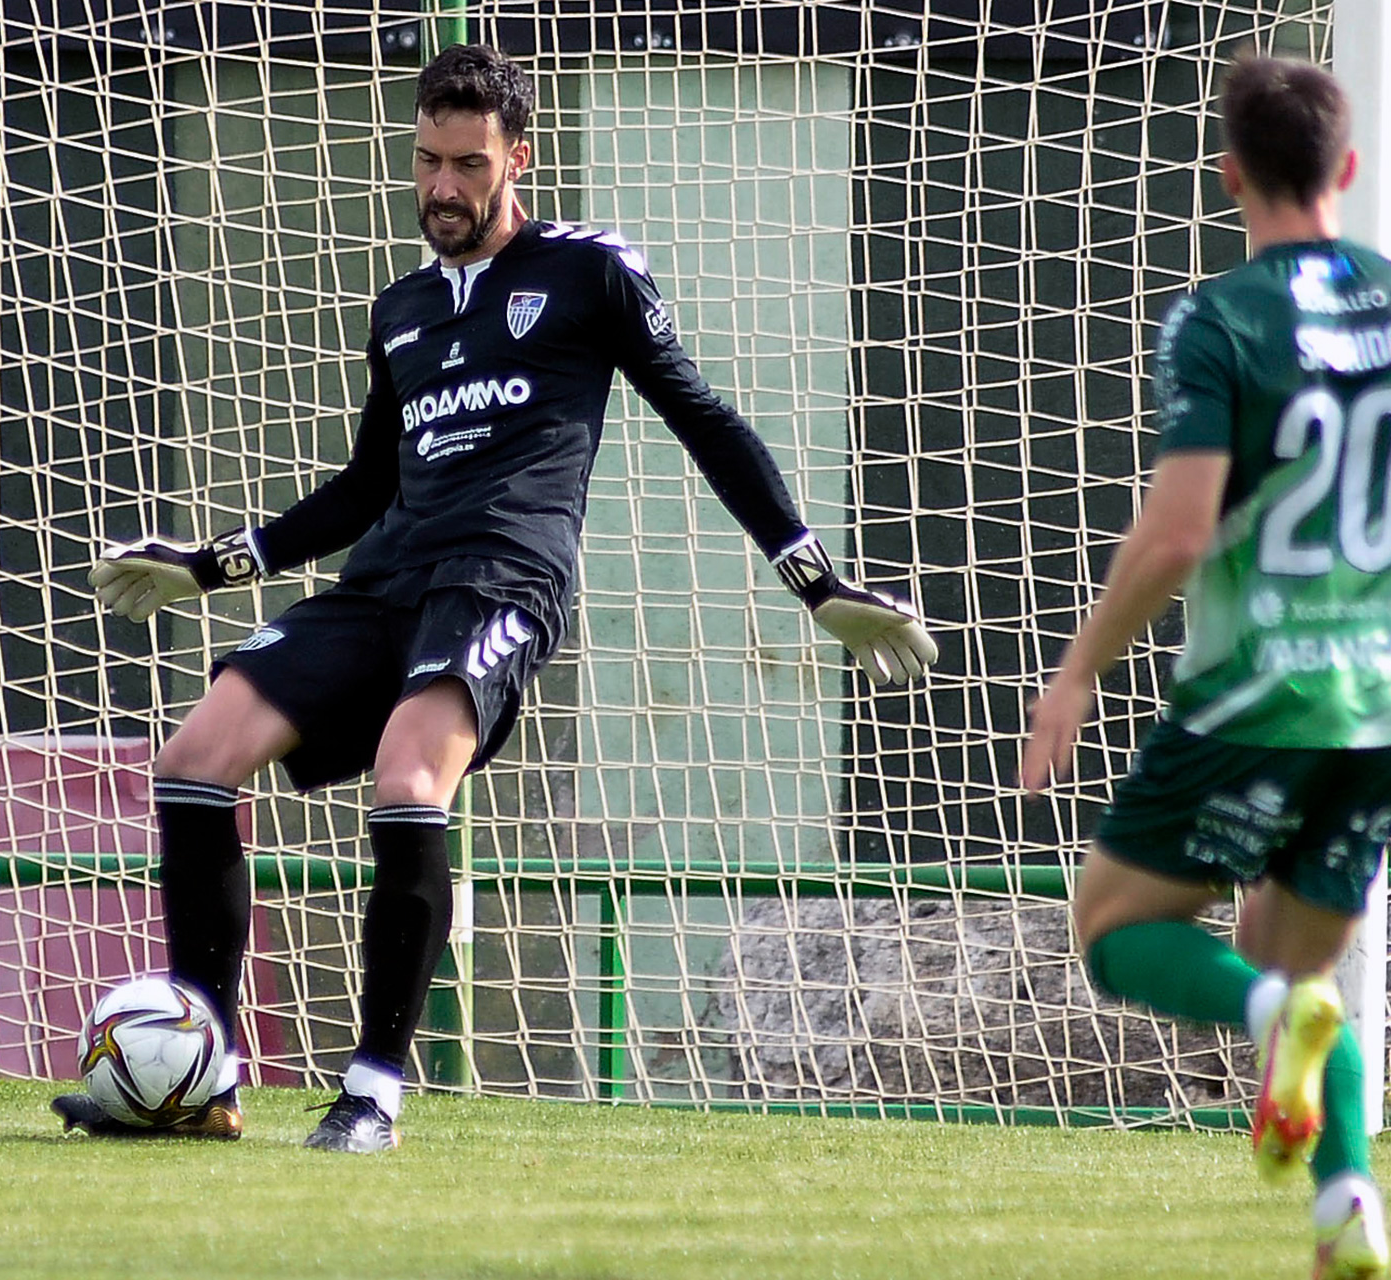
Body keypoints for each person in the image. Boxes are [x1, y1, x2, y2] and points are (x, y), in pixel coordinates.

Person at [55, 42, 936, 1154]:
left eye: (467, 164)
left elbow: (707, 421)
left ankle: (372, 1086)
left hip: (501, 580)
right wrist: (211, 563)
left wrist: (814, 582)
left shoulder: (589, 273)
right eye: (427, 161)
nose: (441, 188)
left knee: (407, 772)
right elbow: (367, 486)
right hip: (383, 581)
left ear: (519, 156)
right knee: (194, 754)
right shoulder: (404, 309)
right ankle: (203, 1077)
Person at [1021, 55, 1391, 1279]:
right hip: (1388, 710)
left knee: (1113, 924)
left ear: (1230, 175)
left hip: (1258, 695)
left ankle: (1283, 1027)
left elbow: (1173, 536)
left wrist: (1075, 674)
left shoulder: (1221, 320)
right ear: (1349, 168)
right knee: (1287, 958)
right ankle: (1349, 1203)